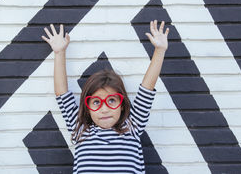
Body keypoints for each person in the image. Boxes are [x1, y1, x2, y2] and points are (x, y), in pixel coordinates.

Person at [42, 20, 169, 173]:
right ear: (87, 107)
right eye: (96, 102)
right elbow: (61, 92)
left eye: (111, 100)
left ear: (122, 104)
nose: (104, 109)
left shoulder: (132, 126)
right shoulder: (80, 129)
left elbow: (147, 89)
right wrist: (59, 52)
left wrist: (160, 50)